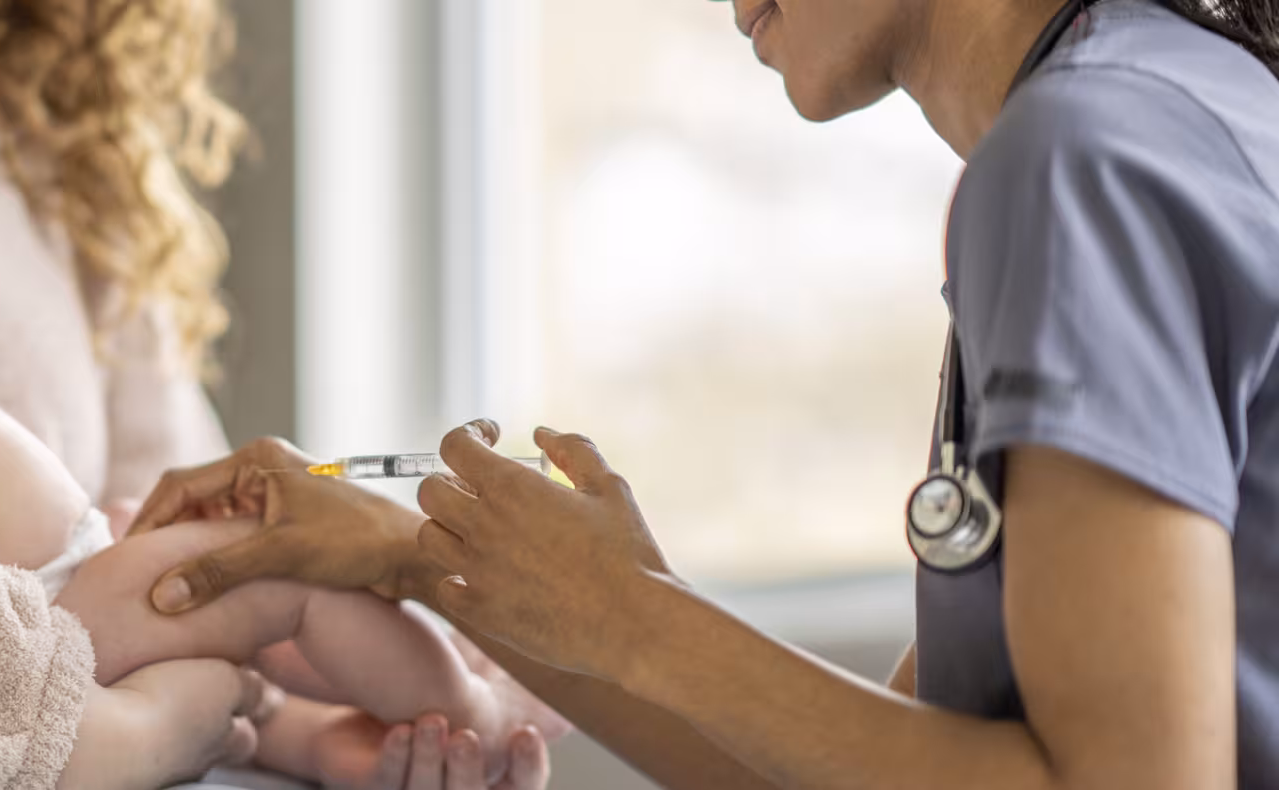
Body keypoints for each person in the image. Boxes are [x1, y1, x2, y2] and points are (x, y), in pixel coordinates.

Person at [134, 0, 1279, 786]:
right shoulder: (1157, 105)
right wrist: (410, 556)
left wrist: (635, 615)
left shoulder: (1077, 159)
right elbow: (836, 764)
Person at [0, 18, 562, 784]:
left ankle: (332, 744)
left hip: (77, 568)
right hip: (45, 612)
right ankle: (477, 712)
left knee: (252, 630)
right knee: (279, 576)